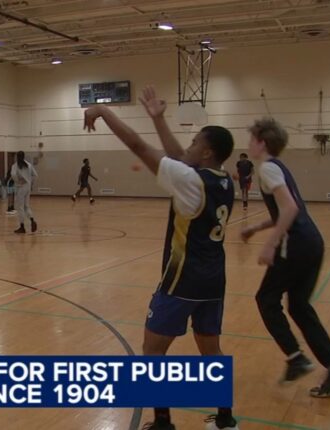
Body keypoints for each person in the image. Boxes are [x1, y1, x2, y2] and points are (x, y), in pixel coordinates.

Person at [84, 85, 239, 430]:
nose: (190, 145)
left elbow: (139, 147)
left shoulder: (189, 181)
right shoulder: (224, 179)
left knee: (152, 353)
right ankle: (226, 420)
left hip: (182, 279)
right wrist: (158, 119)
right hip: (214, 279)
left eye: (196, 141)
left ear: (209, 151)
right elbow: (182, 161)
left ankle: (163, 423)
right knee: (211, 351)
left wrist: (105, 112)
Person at [241, 117, 330, 398]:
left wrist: (270, 243)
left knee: (266, 299)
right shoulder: (278, 168)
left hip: (296, 246)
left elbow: (290, 208)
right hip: (312, 242)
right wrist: (257, 227)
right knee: (300, 307)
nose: (248, 144)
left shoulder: (267, 168)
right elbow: (287, 211)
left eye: (251, 139)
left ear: (261, 143)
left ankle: (296, 359)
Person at [10, 151, 38, 234]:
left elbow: (13, 175)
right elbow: (35, 175)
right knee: (26, 206)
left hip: (20, 188)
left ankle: (22, 227)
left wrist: (18, 181)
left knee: (20, 208)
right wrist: (31, 183)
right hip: (28, 187)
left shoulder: (15, 166)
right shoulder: (29, 165)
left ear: (17, 157)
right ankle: (32, 219)